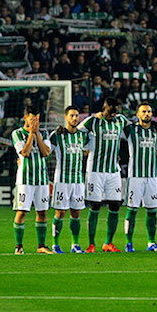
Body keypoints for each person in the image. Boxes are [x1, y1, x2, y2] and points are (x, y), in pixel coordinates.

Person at [78, 97, 130, 253]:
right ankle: (91, 244)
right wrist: (84, 147)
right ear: (104, 108)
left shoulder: (121, 120)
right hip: (95, 171)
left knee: (115, 205)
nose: (113, 115)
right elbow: (75, 132)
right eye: (110, 112)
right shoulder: (92, 121)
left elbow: (134, 130)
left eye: (115, 112)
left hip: (113, 171)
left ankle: (108, 243)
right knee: (95, 206)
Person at [122, 102, 157, 253]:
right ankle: (128, 243)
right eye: (144, 112)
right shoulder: (130, 129)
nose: (147, 114)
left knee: (152, 210)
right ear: (138, 114)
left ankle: (151, 242)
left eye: (149, 112)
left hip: (152, 177)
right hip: (135, 177)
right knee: (132, 210)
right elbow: (117, 122)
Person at [11, 105, 53, 255]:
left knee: (42, 212)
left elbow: (46, 152)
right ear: (25, 118)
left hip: (41, 179)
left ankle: (41, 246)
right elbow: (25, 152)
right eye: (32, 119)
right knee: (22, 212)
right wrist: (31, 134)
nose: (35, 122)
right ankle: (19, 246)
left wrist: (37, 135)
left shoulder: (44, 133)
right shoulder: (17, 133)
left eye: (37, 119)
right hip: (25, 180)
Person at [48, 105, 90, 254]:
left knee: (76, 213)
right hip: (62, 180)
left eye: (77, 115)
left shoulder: (83, 135)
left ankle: (75, 245)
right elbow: (46, 152)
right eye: (71, 115)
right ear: (65, 117)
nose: (74, 118)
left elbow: (91, 147)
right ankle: (55, 244)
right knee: (60, 213)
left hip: (78, 180)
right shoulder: (57, 135)